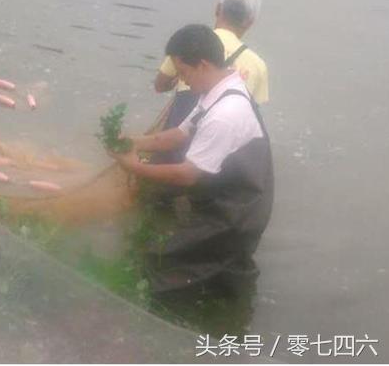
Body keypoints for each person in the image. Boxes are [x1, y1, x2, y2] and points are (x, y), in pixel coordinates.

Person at [109, 24, 273, 307]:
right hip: (225, 190)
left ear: (203, 65)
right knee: (205, 267)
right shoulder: (214, 91)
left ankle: (224, 309)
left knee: (164, 267)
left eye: (183, 72)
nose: (181, 80)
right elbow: (179, 135)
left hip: (238, 211)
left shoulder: (225, 113)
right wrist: (133, 142)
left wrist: (133, 166)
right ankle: (232, 303)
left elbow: (185, 175)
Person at [150, 0, 268, 165]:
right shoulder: (258, 65)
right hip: (219, 157)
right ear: (250, 22)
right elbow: (250, 120)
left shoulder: (188, 43)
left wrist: (175, 79)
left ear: (218, 8)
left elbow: (160, 86)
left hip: (179, 146)